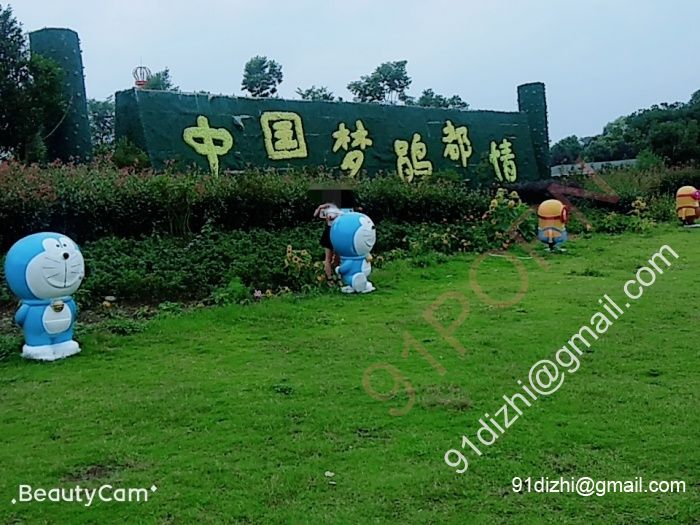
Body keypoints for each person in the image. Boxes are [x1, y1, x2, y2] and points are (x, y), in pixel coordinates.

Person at [314, 203, 342, 281]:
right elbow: (316, 215)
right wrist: (320, 207)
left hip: (339, 233)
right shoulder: (328, 207)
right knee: (328, 257)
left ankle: (336, 274)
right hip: (329, 232)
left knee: (338, 258)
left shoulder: (342, 208)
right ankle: (329, 278)